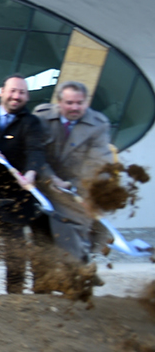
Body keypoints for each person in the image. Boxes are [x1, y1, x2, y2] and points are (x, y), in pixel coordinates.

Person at [0, 74, 48, 294]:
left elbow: (36, 150)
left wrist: (32, 172)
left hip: (16, 195)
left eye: (22, 92)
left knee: (14, 248)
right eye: (13, 91)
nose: (17, 96)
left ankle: (14, 293)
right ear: (2, 92)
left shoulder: (31, 121)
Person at [36, 81, 113, 263]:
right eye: (69, 103)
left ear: (86, 102)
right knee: (42, 238)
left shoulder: (98, 125)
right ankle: (43, 285)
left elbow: (98, 164)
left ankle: (80, 273)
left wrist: (79, 189)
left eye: (80, 103)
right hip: (43, 185)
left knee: (72, 231)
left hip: (75, 189)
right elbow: (34, 153)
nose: (75, 107)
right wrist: (49, 177)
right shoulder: (42, 117)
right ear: (59, 102)